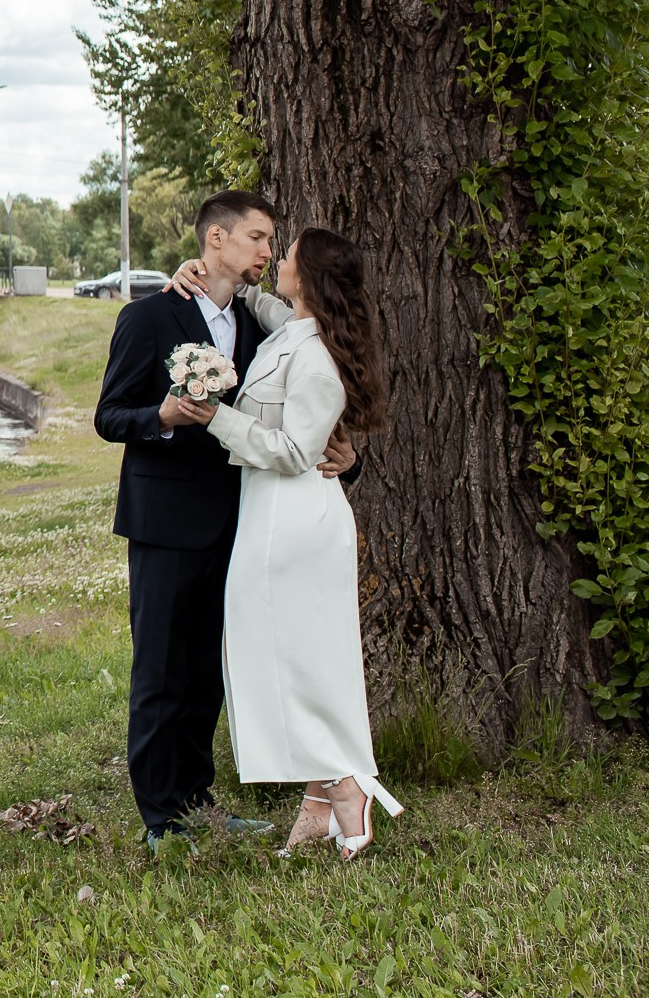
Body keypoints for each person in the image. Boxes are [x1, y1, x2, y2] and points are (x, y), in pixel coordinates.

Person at [94, 189, 358, 850]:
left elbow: (301, 407)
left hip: (238, 523)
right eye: (258, 239)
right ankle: (160, 820)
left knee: (209, 674)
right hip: (163, 522)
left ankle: (199, 801)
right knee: (160, 674)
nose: (267, 253)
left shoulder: (262, 321)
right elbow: (109, 417)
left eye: (274, 244)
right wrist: (161, 417)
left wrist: (348, 459)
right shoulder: (148, 318)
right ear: (216, 240)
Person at [172, 227, 400, 858]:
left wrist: (215, 417)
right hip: (270, 517)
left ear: (312, 277)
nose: (278, 259)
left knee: (289, 657)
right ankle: (322, 795)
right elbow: (264, 305)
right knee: (284, 654)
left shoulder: (318, 357)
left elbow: (298, 451)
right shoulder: (294, 328)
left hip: (294, 524)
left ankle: (346, 789)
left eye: (288, 254)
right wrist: (200, 271)